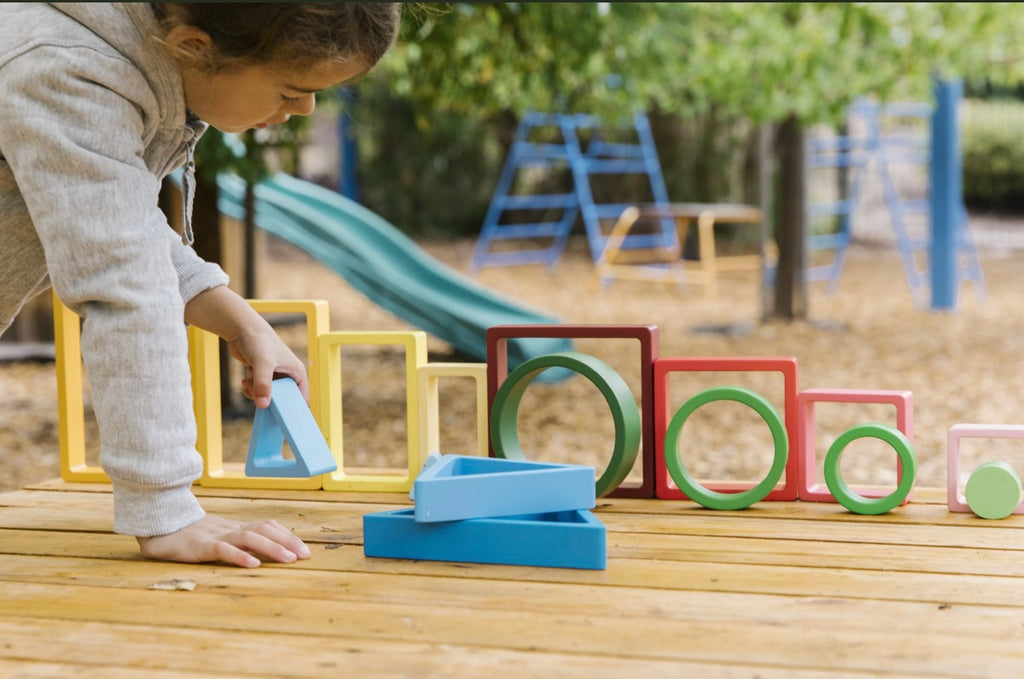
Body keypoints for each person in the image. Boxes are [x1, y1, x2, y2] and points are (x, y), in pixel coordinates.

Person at [0, 3, 401, 567]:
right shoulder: (69, 71)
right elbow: (124, 285)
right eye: (289, 91)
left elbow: (123, 225)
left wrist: (239, 320)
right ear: (194, 46)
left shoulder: (118, 54)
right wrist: (165, 509)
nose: (305, 108)